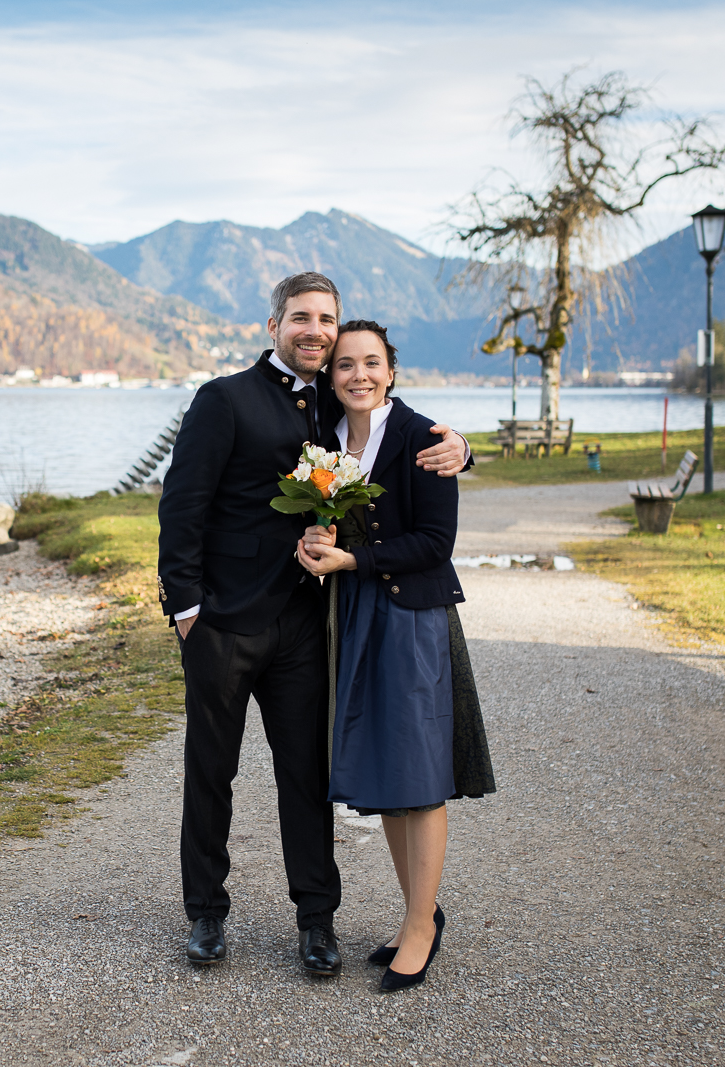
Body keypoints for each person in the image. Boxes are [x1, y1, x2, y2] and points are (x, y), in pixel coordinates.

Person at [156, 275, 472, 975]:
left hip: (304, 625)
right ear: (274, 324)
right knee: (212, 771)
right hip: (223, 624)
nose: (316, 330)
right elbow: (181, 507)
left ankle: (315, 921)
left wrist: (464, 447)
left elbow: (394, 419)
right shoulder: (223, 399)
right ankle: (206, 913)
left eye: (325, 319)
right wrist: (186, 608)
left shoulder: (332, 398)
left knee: (307, 775)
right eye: (301, 317)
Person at [296, 319, 495, 993]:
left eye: (371, 362)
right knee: (386, 770)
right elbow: (323, 521)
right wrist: (316, 541)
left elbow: (436, 542)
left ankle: (419, 927)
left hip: (412, 619)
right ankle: (420, 911)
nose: (358, 374)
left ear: (391, 370)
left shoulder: (425, 439)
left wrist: (355, 558)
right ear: (331, 375)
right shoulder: (325, 444)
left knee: (420, 772)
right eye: (346, 364)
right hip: (356, 617)